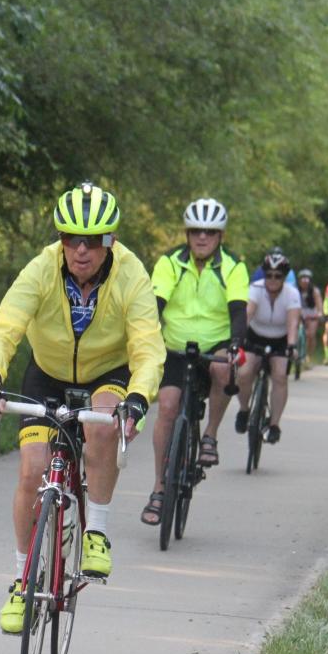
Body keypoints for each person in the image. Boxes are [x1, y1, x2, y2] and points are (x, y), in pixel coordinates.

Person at [0, 182, 163, 633]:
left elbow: (148, 346)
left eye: (93, 240)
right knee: (30, 470)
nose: (81, 250)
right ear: (60, 241)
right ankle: (23, 583)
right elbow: (5, 327)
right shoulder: (42, 268)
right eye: (71, 239)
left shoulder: (131, 274)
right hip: (48, 374)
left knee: (101, 426)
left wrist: (137, 400)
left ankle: (95, 531)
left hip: (108, 372)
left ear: (110, 241)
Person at [141, 196, 248, 525]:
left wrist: (235, 344)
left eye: (210, 232)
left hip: (214, 343)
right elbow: (156, 300)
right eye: (196, 231)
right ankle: (159, 488)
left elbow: (238, 309)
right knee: (169, 408)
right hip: (175, 345)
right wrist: (145, 333)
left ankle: (210, 435)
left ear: (220, 237)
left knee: (223, 367)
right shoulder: (170, 262)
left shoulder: (233, 266)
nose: (202, 237)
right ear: (187, 234)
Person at [234, 251, 300, 443]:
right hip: (255, 337)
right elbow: (247, 314)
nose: (272, 279)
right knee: (245, 373)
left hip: (280, 339)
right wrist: (237, 339)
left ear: (284, 277)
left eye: (277, 275)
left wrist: (292, 345)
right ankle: (244, 410)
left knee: (280, 375)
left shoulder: (291, 293)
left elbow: (293, 323)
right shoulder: (255, 289)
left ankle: (274, 424)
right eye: (268, 274)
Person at [296, 268, 323, 367]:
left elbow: (319, 303)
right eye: (302, 279)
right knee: (294, 332)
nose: (305, 282)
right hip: (298, 312)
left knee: (311, 335)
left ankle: (308, 356)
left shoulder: (314, 291)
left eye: (307, 279)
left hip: (311, 313)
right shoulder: (294, 290)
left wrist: (320, 313)